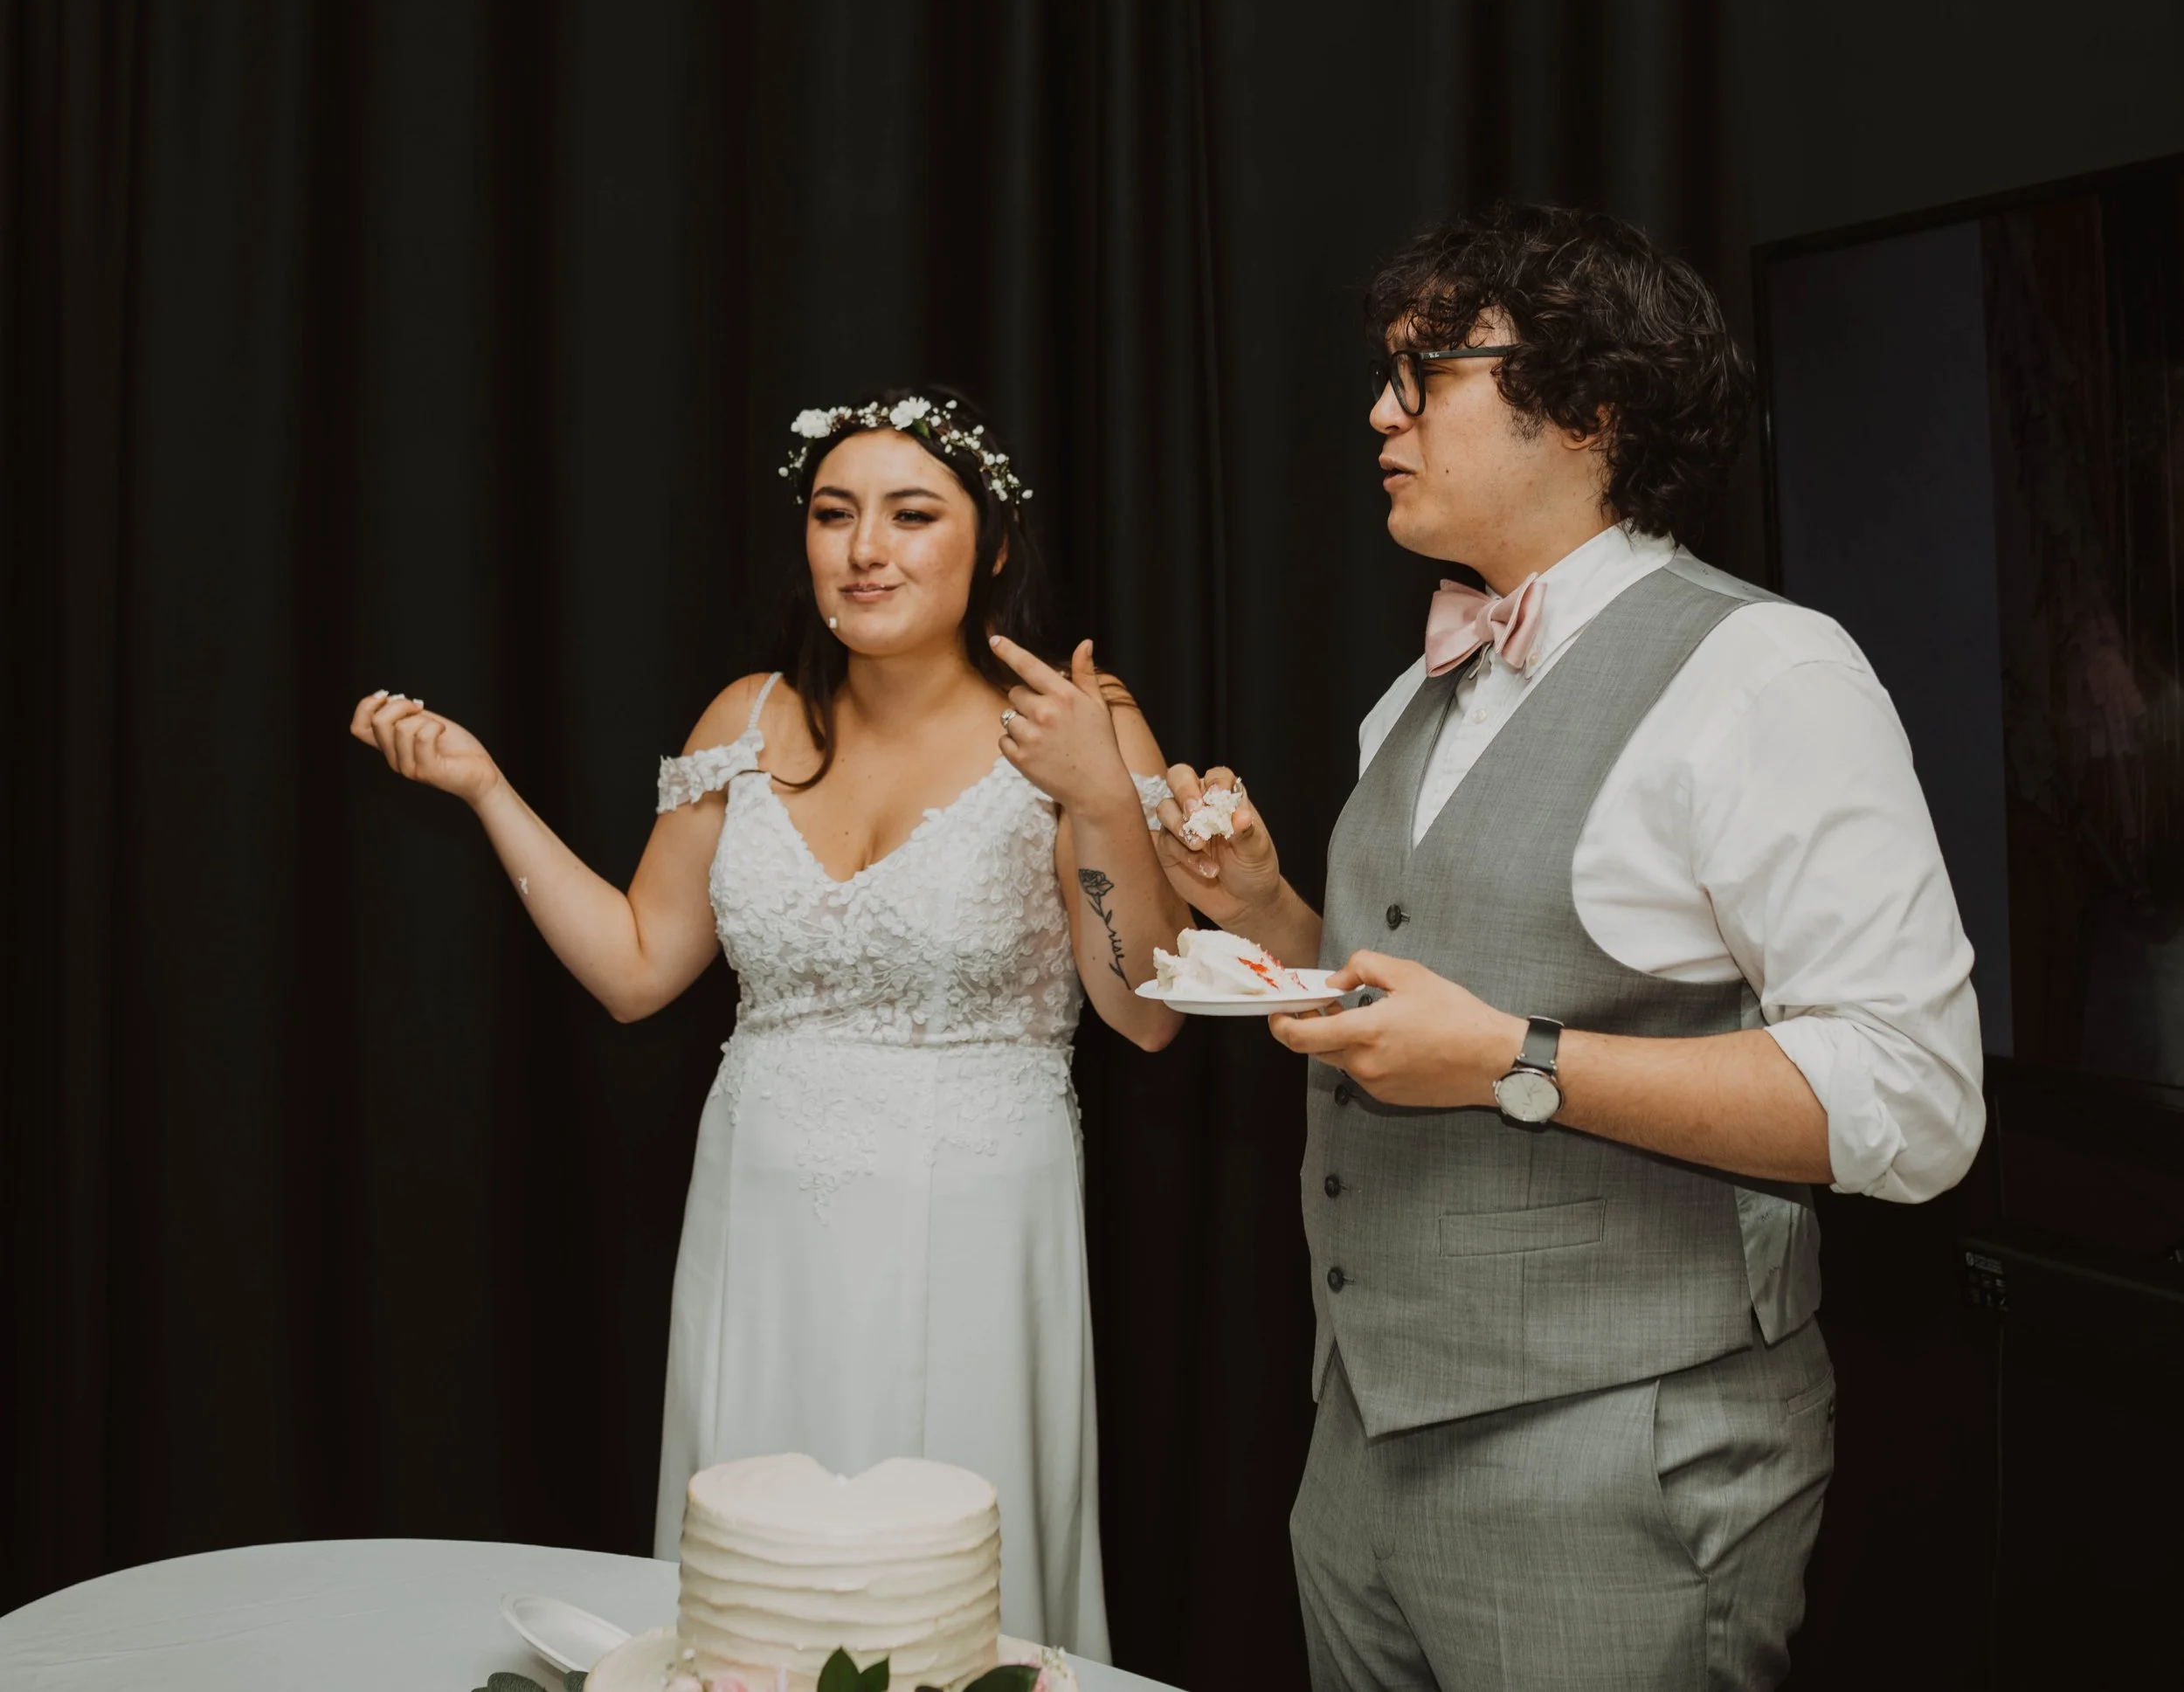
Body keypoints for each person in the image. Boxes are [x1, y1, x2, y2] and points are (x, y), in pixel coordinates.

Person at [1153, 204, 1985, 1690]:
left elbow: (1917, 1101)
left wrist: (1514, 1064)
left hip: (1624, 1465)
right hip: (1361, 1451)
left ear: (1591, 408)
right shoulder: (1421, 688)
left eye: (1428, 374)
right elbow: (1396, 992)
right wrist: (1266, 911)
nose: (1379, 412)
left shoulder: (1767, 671)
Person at [349, 387, 1188, 1659]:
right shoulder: (743, 721)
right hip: (761, 1215)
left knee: (946, 1586)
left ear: (994, 546)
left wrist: (1102, 802)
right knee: (750, 1587)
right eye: (835, 513)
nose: (866, 548)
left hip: (975, 1215)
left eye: (912, 514)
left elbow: (1142, 1014)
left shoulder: (1076, 726)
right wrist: (483, 787)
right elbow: (638, 968)